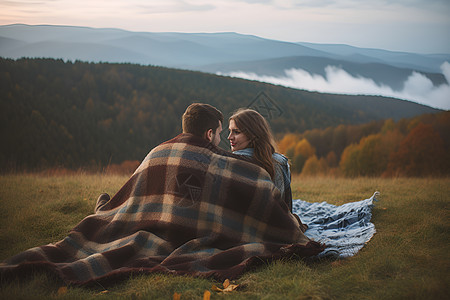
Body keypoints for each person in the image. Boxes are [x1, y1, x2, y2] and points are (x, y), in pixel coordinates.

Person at [228, 108, 293, 212]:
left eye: (236, 132)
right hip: (280, 223)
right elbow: (286, 204)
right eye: (230, 131)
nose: (229, 137)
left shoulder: (232, 161)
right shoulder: (280, 162)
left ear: (252, 134)